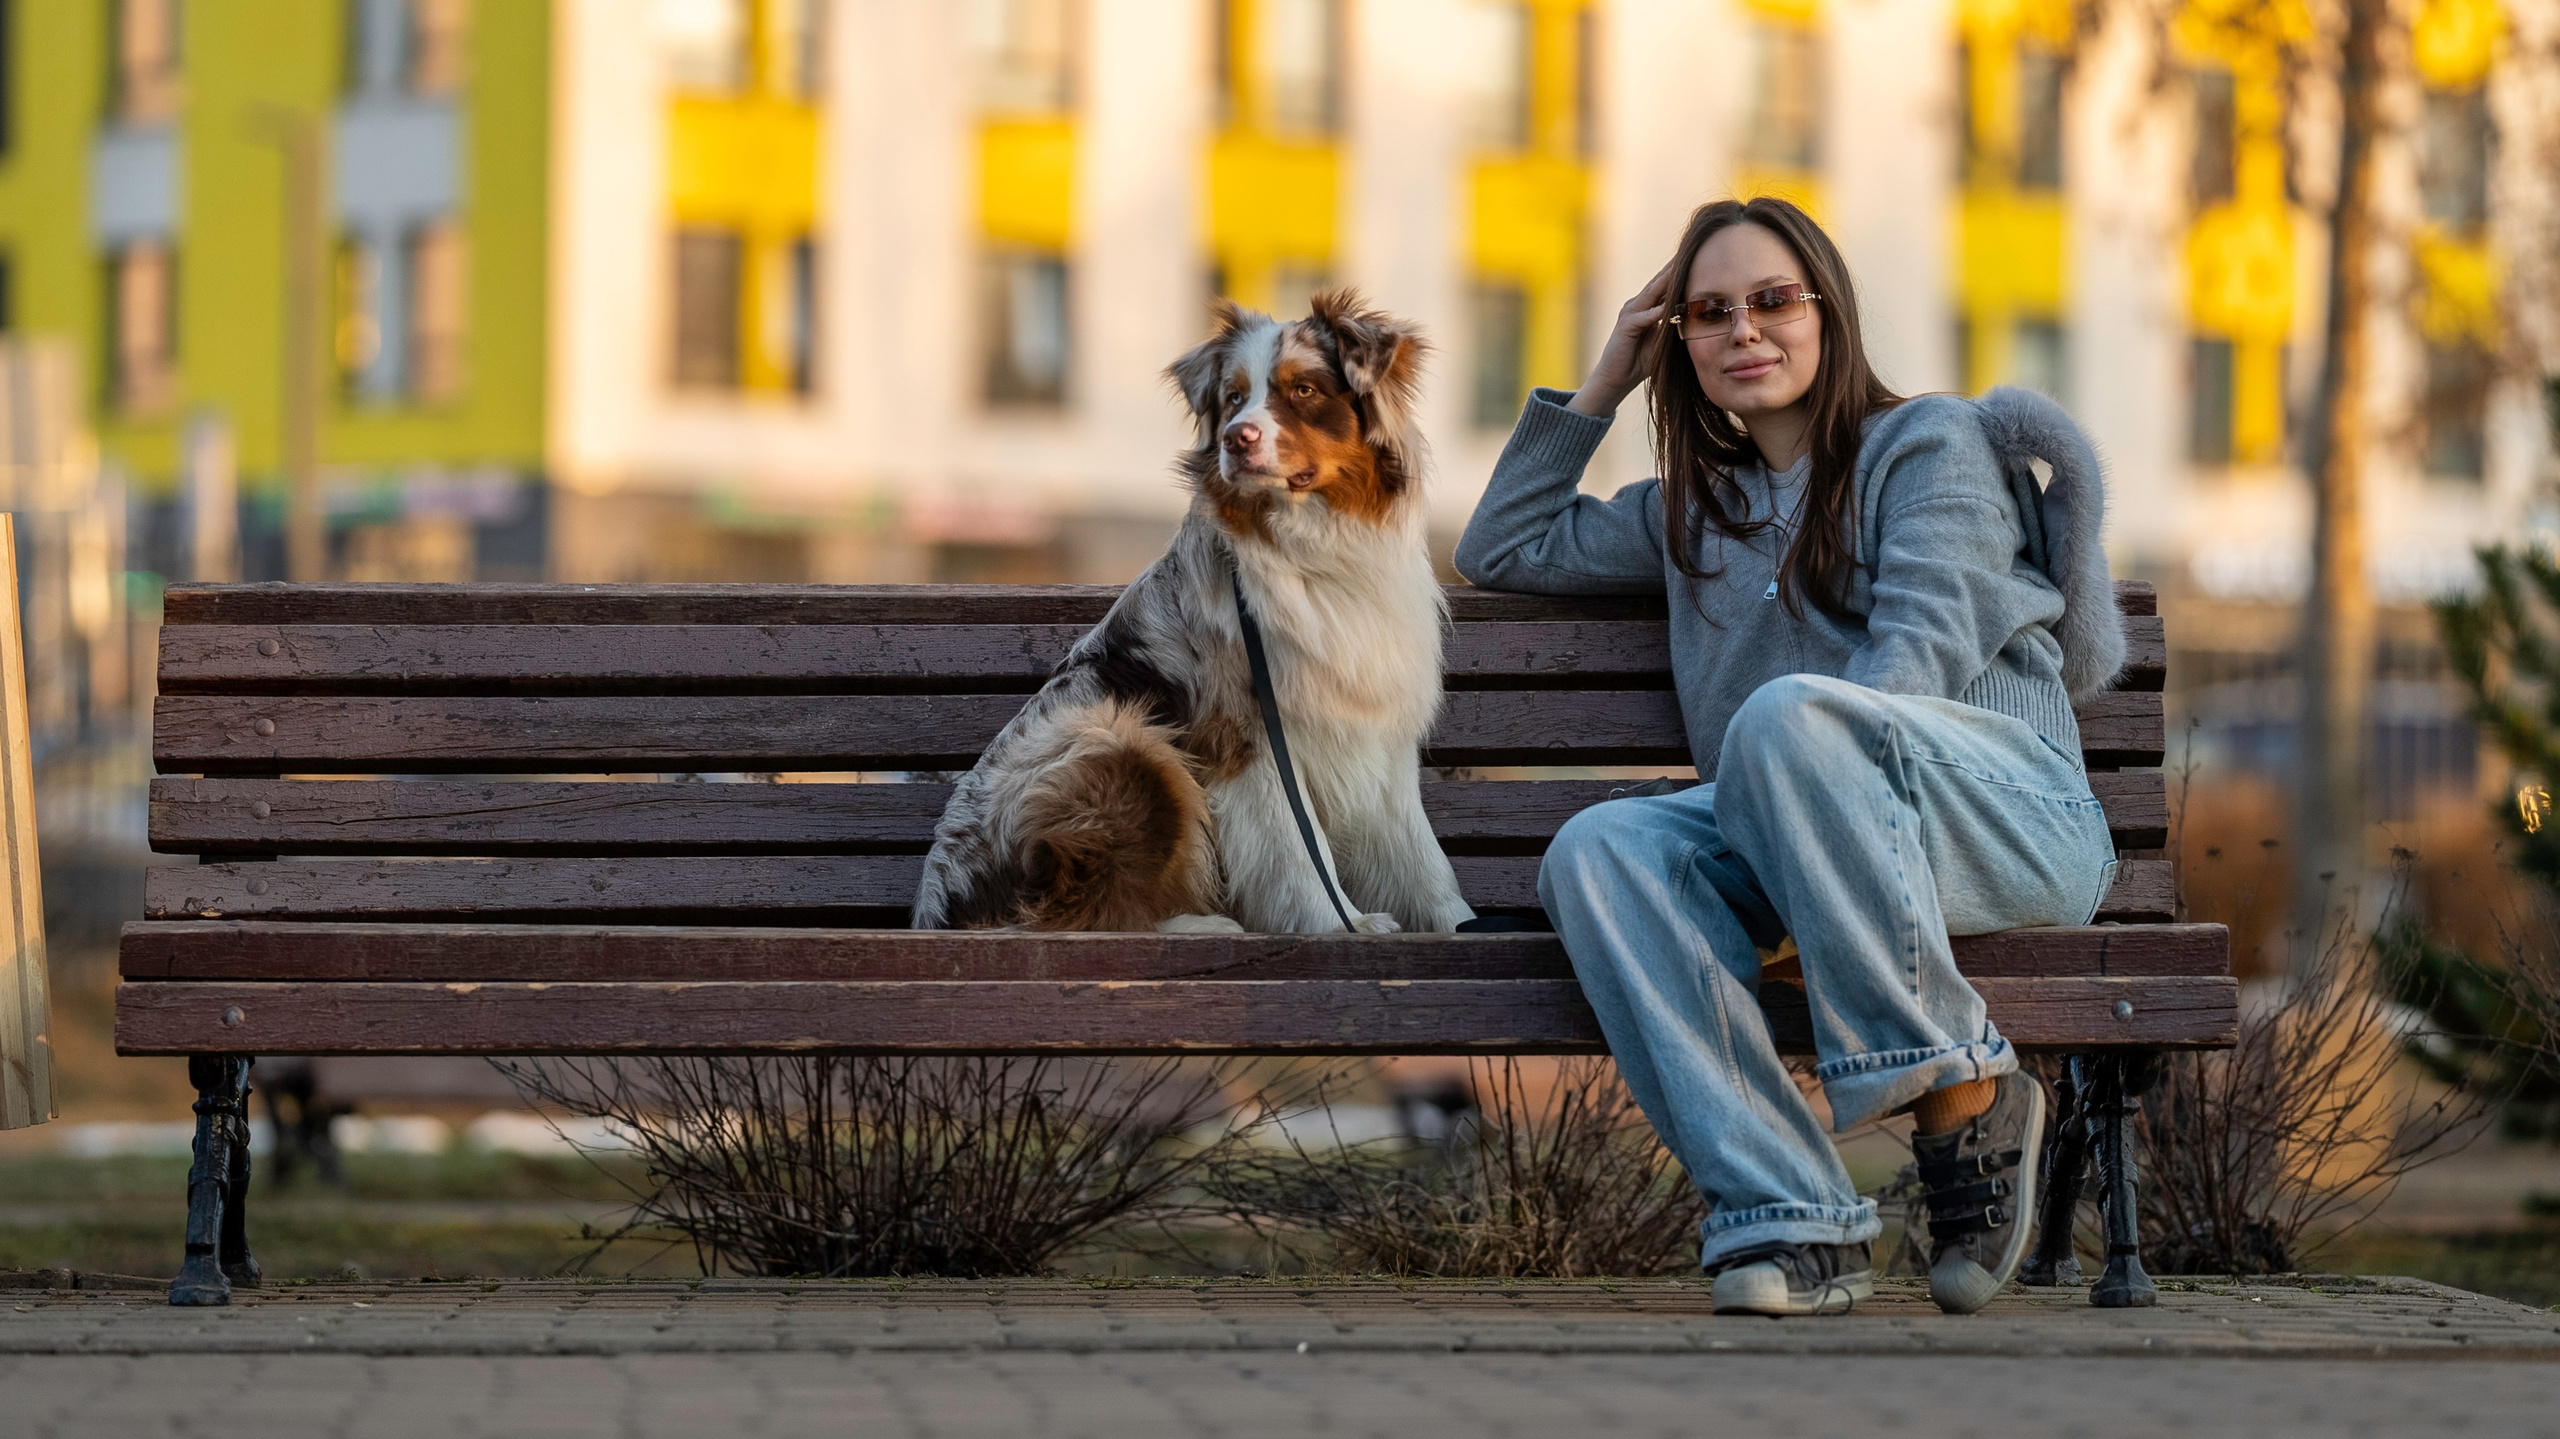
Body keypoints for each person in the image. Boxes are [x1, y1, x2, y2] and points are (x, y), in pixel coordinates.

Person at [1454, 196, 2123, 1317]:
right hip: (1807, 831)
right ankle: (1789, 1210)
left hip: (2005, 814)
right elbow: (1501, 546)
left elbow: (1913, 663)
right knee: (1598, 848)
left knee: (1783, 716)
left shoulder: (1927, 444)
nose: (1742, 331)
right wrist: (1605, 379)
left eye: (1771, 300)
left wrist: (1808, 882)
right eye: (1707, 314)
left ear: (1828, 313)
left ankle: (1962, 1095)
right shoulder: (1691, 511)